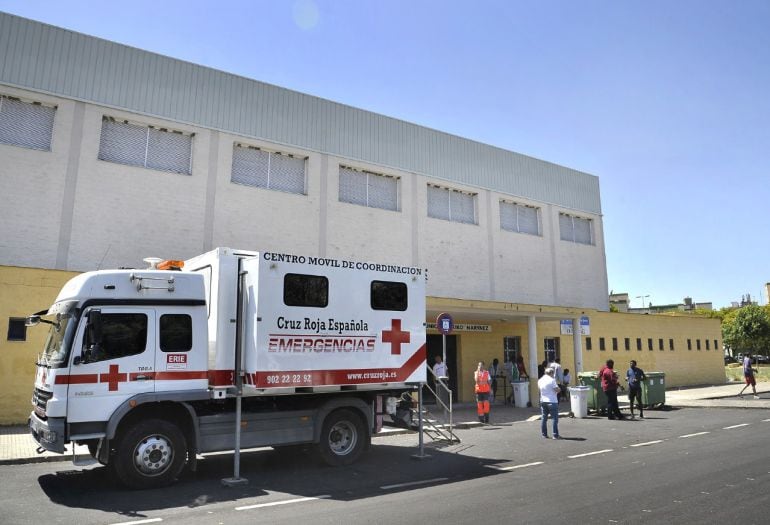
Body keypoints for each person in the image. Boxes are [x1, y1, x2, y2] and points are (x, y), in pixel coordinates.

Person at [538, 367, 561, 439]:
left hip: (543, 400)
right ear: (551, 373)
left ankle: (544, 434)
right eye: (553, 373)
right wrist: (560, 389)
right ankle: (555, 435)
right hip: (552, 401)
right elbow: (556, 389)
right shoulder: (552, 380)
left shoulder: (540, 380)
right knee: (554, 419)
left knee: (544, 418)